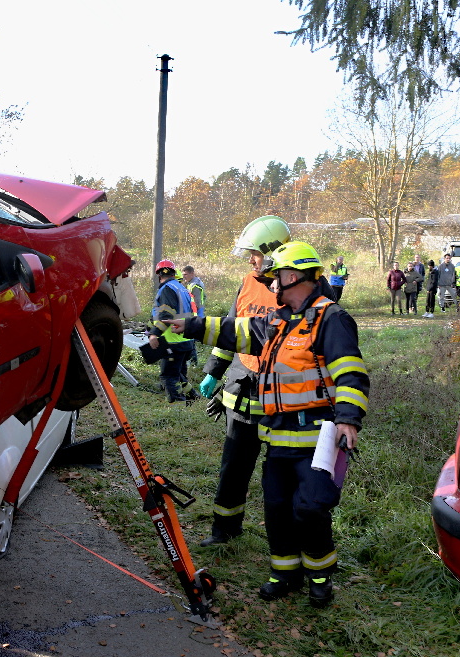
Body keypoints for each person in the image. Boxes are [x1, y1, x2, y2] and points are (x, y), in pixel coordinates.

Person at [171, 241, 369, 609]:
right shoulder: (279, 321)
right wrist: (189, 325)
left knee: (309, 508)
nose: (273, 286)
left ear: (295, 277)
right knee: (277, 508)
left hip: (315, 439)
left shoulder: (331, 319)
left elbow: (350, 373)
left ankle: (321, 576)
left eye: (277, 279)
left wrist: (348, 420)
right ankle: (285, 574)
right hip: (278, 437)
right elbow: (237, 331)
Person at [196, 215, 291, 547]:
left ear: (273, 252)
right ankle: (224, 530)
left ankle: (282, 539)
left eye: (255, 253)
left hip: (282, 400)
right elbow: (230, 331)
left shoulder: (303, 288)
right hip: (242, 392)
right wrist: (213, 371)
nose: (251, 260)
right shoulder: (247, 282)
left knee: (279, 477)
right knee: (233, 467)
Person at [147, 259, 195, 404]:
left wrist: (154, 333)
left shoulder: (167, 289)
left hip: (172, 341)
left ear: (159, 275)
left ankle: (178, 405)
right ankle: (192, 396)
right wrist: (149, 328)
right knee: (179, 374)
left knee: (168, 376)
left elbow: (166, 315)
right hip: (185, 339)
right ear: (174, 273)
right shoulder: (181, 288)